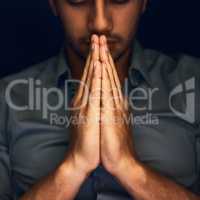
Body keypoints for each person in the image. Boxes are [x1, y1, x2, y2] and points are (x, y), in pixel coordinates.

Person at [0, 0, 200, 199]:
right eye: (78, 1)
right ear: (53, 4)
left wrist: (128, 168)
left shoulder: (193, 83)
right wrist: (73, 167)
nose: (100, 24)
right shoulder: (8, 98)